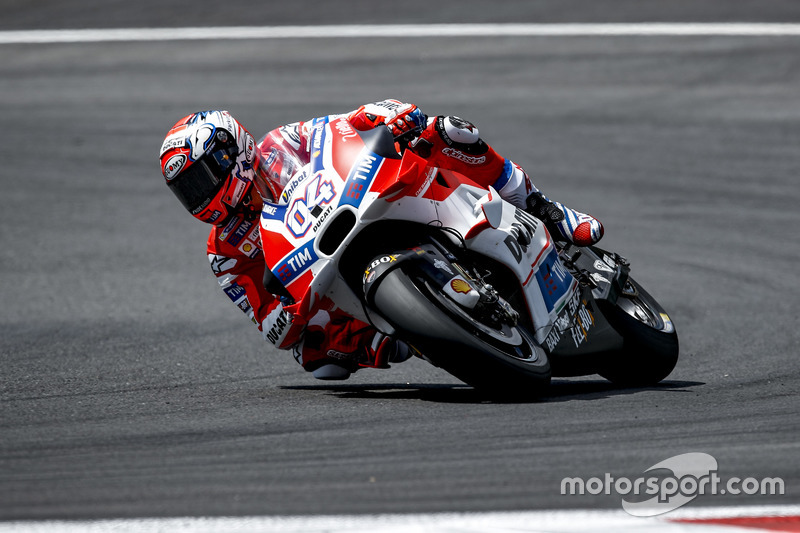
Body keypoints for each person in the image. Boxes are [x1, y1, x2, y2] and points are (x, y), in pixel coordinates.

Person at [158, 100, 603, 380]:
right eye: (188, 192)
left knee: (447, 130)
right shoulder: (224, 250)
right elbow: (267, 321)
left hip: (361, 201)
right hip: (323, 279)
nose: (199, 198)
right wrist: (285, 314)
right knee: (320, 363)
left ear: (227, 152)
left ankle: (544, 207)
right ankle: (416, 331)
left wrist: (381, 116)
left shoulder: (281, 144)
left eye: (201, 181)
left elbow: (342, 127)